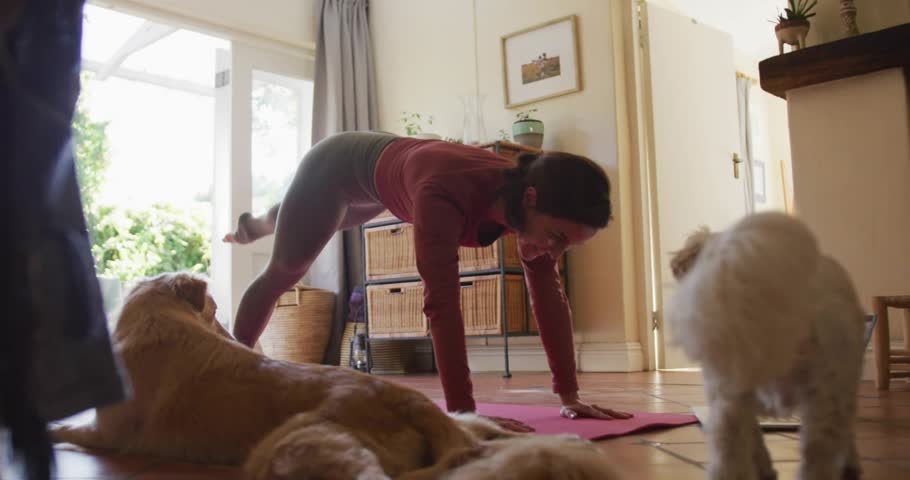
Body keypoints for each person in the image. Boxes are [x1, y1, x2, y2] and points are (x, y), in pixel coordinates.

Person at [224, 131, 632, 431]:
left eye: (567, 246)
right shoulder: (443, 194)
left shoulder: (529, 198)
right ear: (529, 199)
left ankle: (265, 221)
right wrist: (463, 413)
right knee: (286, 268)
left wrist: (570, 396)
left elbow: (548, 294)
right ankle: (230, 368)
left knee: (311, 219)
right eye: (557, 238)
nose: (554, 252)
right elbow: (441, 304)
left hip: (386, 181)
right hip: (335, 168)